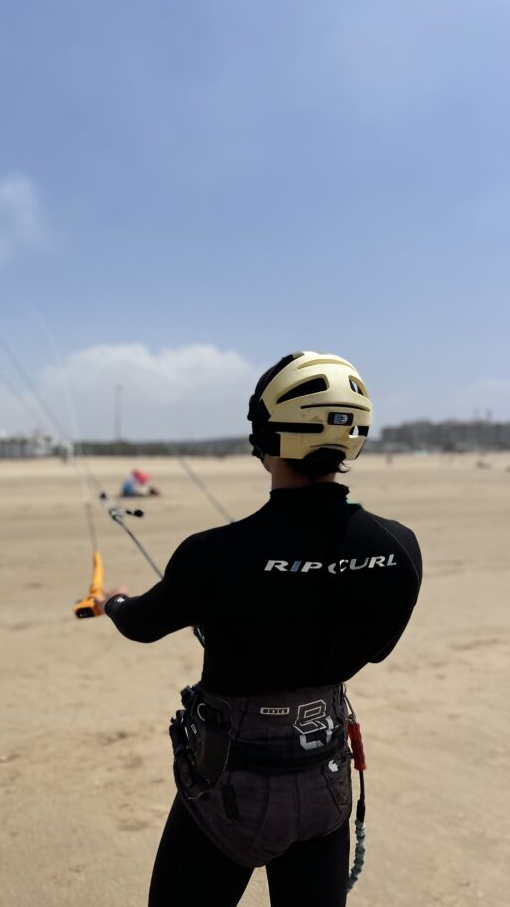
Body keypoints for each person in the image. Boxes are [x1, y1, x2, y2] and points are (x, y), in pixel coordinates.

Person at [97, 351, 422, 907]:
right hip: (325, 780)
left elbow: (142, 624)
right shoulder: (399, 547)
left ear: (265, 437)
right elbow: (375, 648)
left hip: (229, 789)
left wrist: (112, 602)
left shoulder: (213, 554)